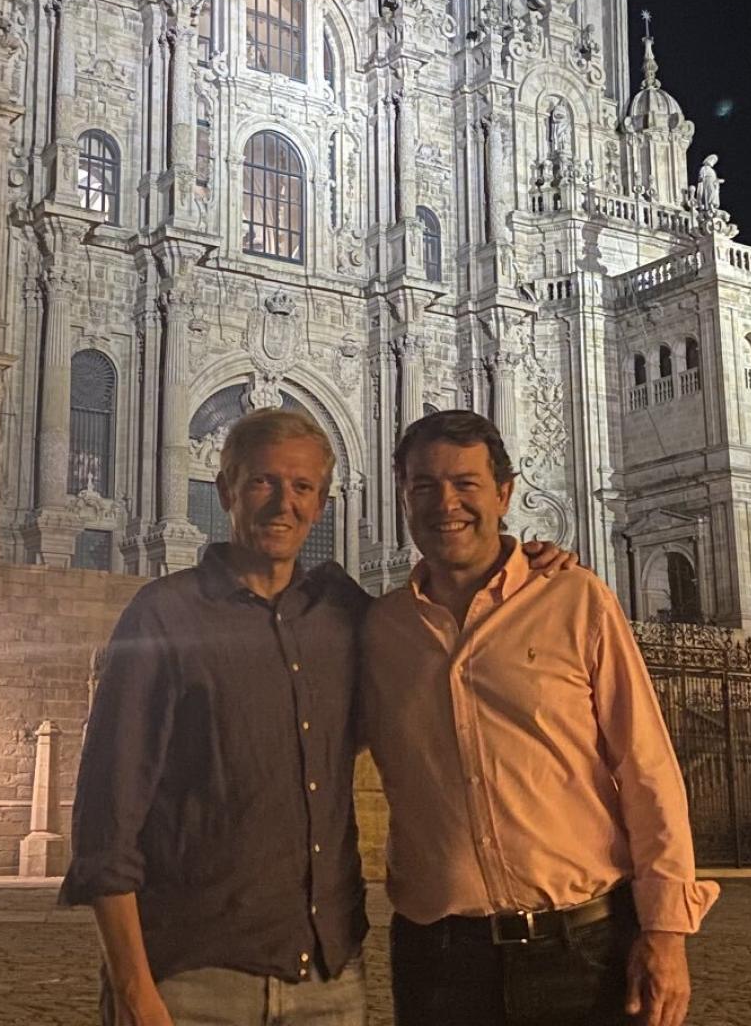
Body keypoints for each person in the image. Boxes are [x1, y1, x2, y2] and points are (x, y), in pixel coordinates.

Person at [61, 408, 574, 1026]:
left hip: (327, 982)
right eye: (262, 482)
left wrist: (522, 566)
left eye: (303, 487)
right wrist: (135, 990)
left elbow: (439, 664)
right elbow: (105, 821)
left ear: (325, 501)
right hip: (193, 981)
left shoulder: (347, 615)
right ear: (225, 489)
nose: (284, 504)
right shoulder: (163, 617)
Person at [363, 410, 718, 1026]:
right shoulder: (377, 630)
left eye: (465, 484)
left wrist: (665, 930)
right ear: (402, 498)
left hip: (584, 952)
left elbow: (648, 771)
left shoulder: (575, 598)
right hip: (439, 963)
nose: (445, 503)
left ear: (504, 493)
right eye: (423, 486)